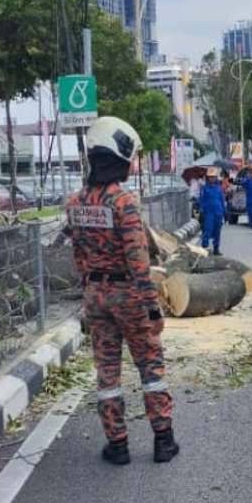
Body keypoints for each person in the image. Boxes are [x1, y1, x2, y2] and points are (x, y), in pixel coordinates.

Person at [64, 116, 179, 465]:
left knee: (107, 371)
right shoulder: (124, 202)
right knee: (150, 366)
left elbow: (79, 255)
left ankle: (117, 445)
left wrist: (90, 290)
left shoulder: (75, 203)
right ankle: (163, 440)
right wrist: (152, 307)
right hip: (129, 294)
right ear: (119, 156)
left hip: (95, 295)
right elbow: (137, 260)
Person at [199, 167, 225, 256]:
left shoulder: (219, 188)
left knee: (217, 231)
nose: (212, 178)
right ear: (207, 178)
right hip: (208, 213)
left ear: (216, 178)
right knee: (207, 230)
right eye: (210, 177)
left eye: (213, 177)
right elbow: (201, 200)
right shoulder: (204, 188)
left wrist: (224, 212)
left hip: (218, 212)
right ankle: (204, 247)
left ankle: (216, 248)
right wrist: (201, 211)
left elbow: (222, 200)